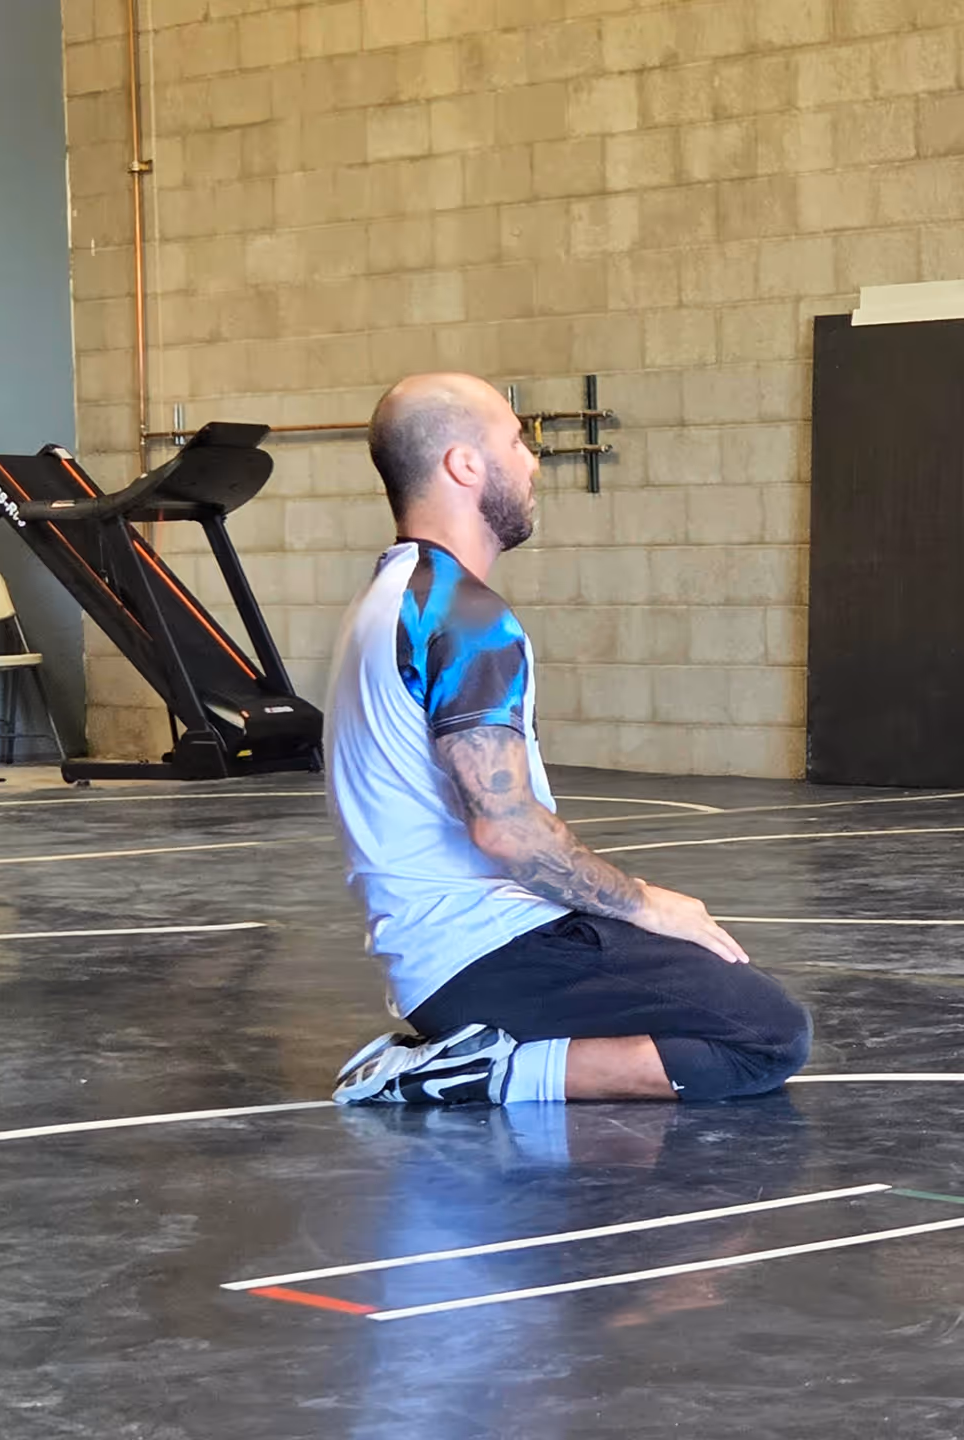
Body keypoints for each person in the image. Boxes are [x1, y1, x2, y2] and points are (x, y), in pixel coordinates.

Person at [324, 372, 811, 1105]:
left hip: (446, 956)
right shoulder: (460, 615)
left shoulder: (390, 595)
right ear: (464, 465)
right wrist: (644, 902)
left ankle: (479, 1051)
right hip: (484, 955)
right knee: (765, 1035)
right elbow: (507, 831)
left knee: (718, 984)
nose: (531, 463)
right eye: (516, 442)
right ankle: (468, 1070)